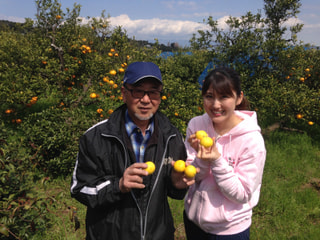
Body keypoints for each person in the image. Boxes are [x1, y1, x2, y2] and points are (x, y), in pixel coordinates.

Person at [70, 61, 194, 240]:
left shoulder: (172, 136)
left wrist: (176, 184)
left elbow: (172, 193)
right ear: (123, 93)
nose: (145, 99)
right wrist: (118, 185)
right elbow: (79, 189)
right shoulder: (97, 137)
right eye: (138, 91)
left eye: (153, 92)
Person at [183, 67, 266, 240]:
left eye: (224, 97)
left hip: (229, 230)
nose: (215, 105)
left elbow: (242, 194)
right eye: (209, 96)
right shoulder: (196, 125)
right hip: (193, 222)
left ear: (239, 98)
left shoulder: (251, 140)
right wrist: (201, 159)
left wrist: (217, 160)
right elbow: (191, 176)